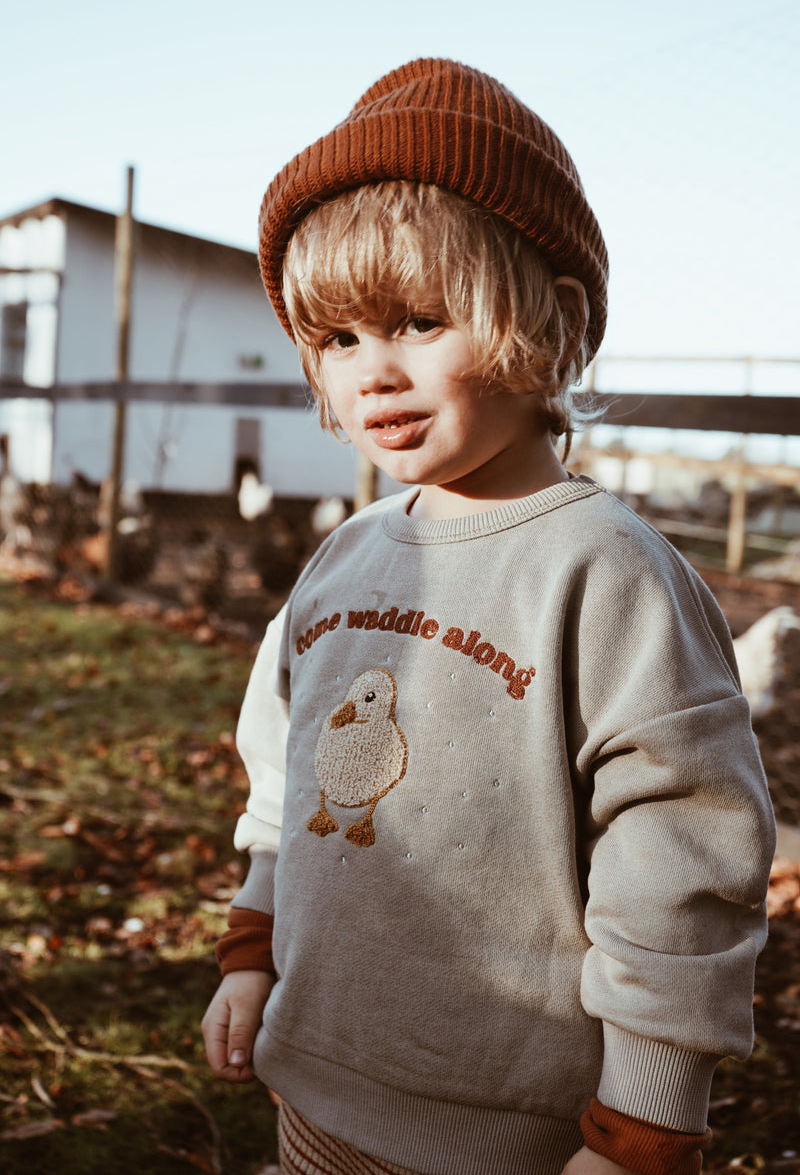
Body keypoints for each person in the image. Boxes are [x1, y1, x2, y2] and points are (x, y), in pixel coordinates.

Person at [202, 58, 775, 1175]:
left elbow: (680, 857)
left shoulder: (604, 572)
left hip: (516, 1133)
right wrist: (250, 950)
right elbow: (286, 782)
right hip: (313, 1091)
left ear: (554, 323)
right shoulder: (341, 562)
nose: (372, 372)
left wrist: (642, 1122)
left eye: (417, 321)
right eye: (336, 338)